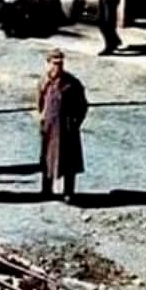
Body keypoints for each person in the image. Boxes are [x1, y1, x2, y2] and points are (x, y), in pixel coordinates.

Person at [37, 49, 89, 202]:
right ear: (48, 63)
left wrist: (75, 122)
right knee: (47, 157)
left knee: (69, 160)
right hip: (50, 126)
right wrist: (42, 118)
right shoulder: (43, 82)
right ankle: (46, 190)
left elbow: (83, 105)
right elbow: (40, 102)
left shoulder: (72, 83)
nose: (57, 67)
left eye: (60, 63)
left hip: (67, 127)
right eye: (54, 63)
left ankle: (68, 192)